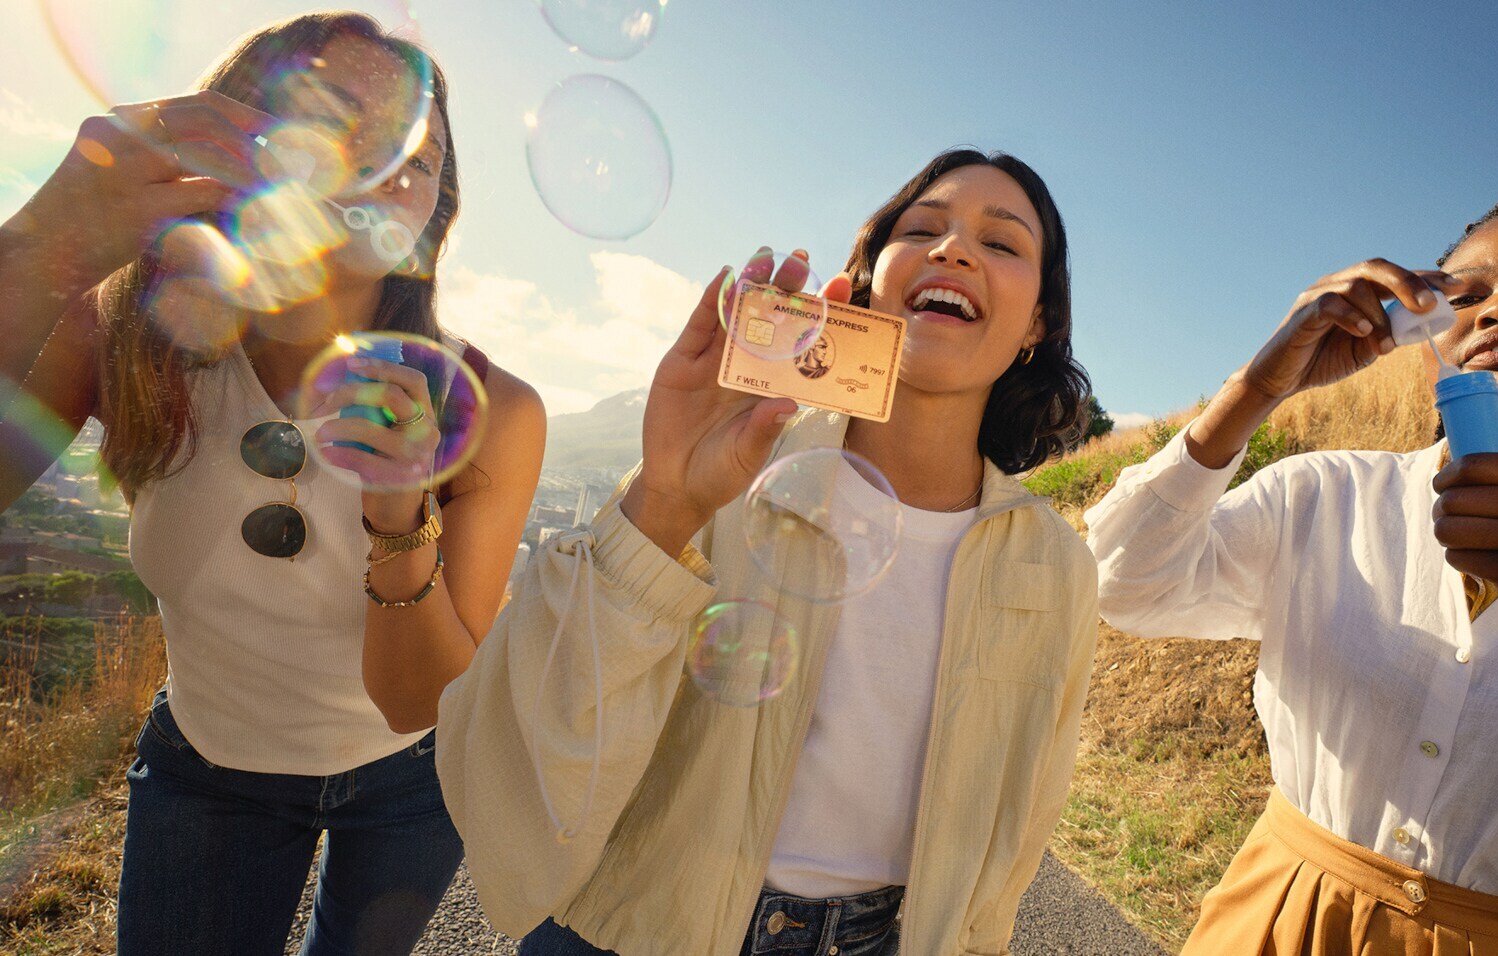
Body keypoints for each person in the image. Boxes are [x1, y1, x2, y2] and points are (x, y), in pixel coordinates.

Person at [436, 149, 1100, 956]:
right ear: (870, 286)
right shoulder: (733, 469)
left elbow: (1025, 819)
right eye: (922, 229)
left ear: (1037, 324)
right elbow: (522, 743)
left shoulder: (1056, 567)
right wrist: (664, 504)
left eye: (1000, 242)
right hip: (637, 926)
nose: (953, 249)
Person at [0, 12, 545, 955]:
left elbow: (417, 703)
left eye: (416, 154)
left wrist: (398, 511)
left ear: (431, 212)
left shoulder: (493, 408)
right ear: (227, 144)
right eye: (331, 124)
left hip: (412, 780)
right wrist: (38, 248)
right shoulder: (118, 335)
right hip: (207, 771)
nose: (380, 166)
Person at [1085, 191, 1498, 955]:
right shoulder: (1328, 493)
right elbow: (1123, 585)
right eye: (1465, 296)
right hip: (1272, 918)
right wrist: (1257, 390)